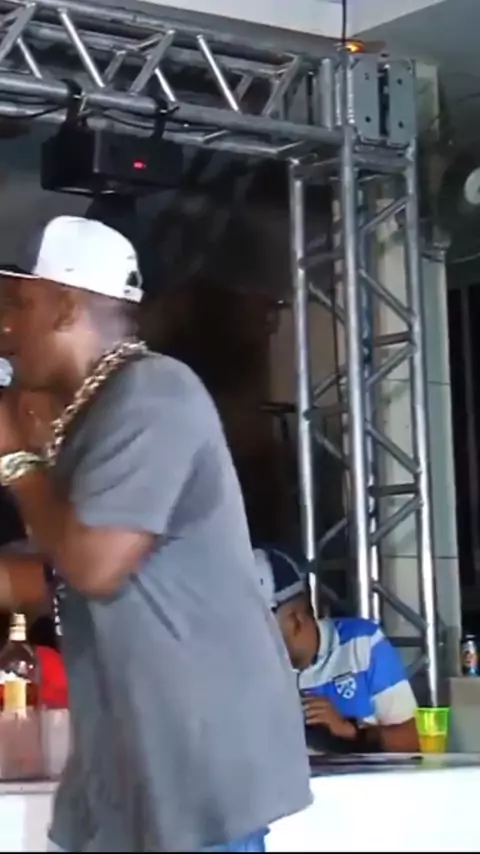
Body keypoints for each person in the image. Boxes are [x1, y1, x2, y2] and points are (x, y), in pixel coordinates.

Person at [0, 215, 311, 853]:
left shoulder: (155, 393)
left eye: (17, 304)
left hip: (194, 771)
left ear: (66, 306)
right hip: (122, 767)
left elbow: (94, 564)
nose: (4, 329)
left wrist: (16, 462)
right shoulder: (90, 417)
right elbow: (58, 566)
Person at [255, 546, 420, 753]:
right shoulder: (248, 671)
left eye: (260, 625)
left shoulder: (361, 643)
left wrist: (349, 731)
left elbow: (413, 738)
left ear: (295, 620)